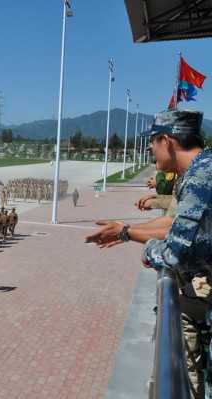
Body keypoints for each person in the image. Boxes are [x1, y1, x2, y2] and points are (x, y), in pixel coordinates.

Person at [86, 109, 211, 399]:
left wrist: (147, 250)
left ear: (167, 140)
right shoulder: (201, 169)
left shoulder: (201, 178)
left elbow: (174, 255)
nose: (150, 149)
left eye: (153, 142)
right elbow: (176, 224)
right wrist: (125, 231)